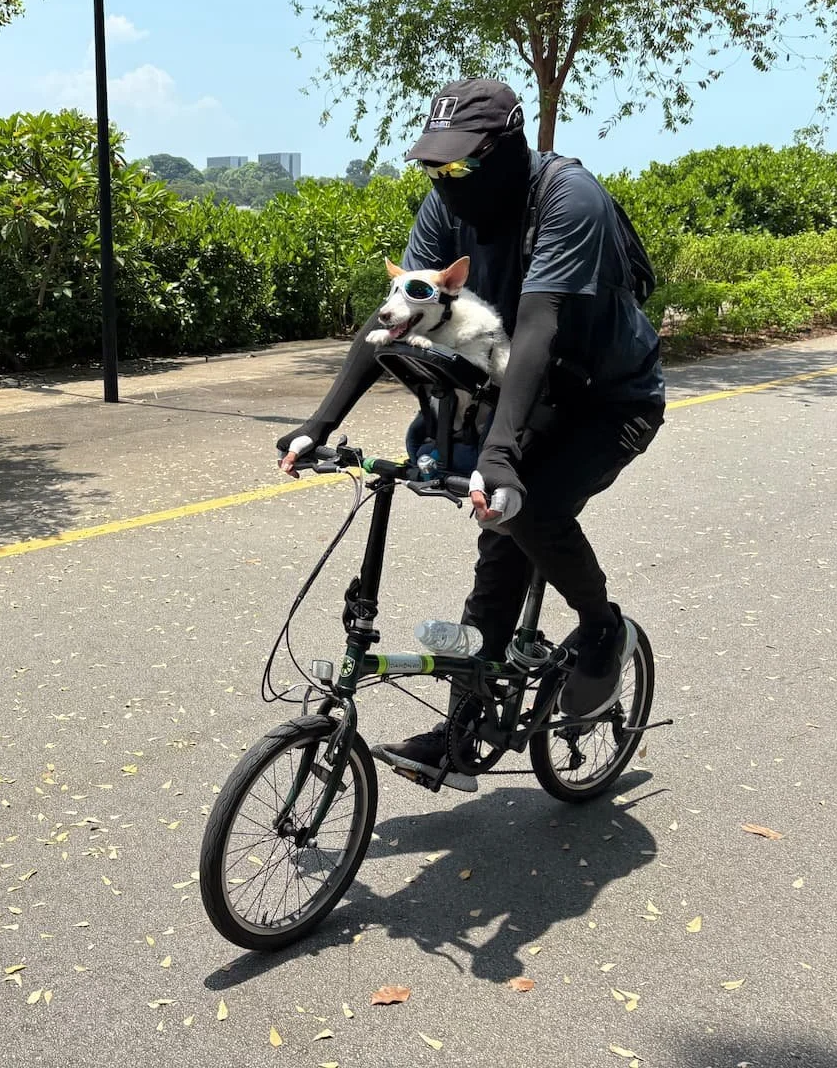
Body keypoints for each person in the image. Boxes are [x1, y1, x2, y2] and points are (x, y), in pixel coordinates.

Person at [277, 78, 666, 789]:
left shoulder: (567, 200)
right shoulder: (443, 206)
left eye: (459, 168)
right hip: (528, 389)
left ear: (509, 149)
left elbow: (541, 325)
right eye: (433, 167)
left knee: (534, 507)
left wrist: (500, 456)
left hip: (608, 399)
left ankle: (602, 626)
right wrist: (319, 423)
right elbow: (395, 315)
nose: (445, 183)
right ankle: (464, 735)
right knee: (500, 536)